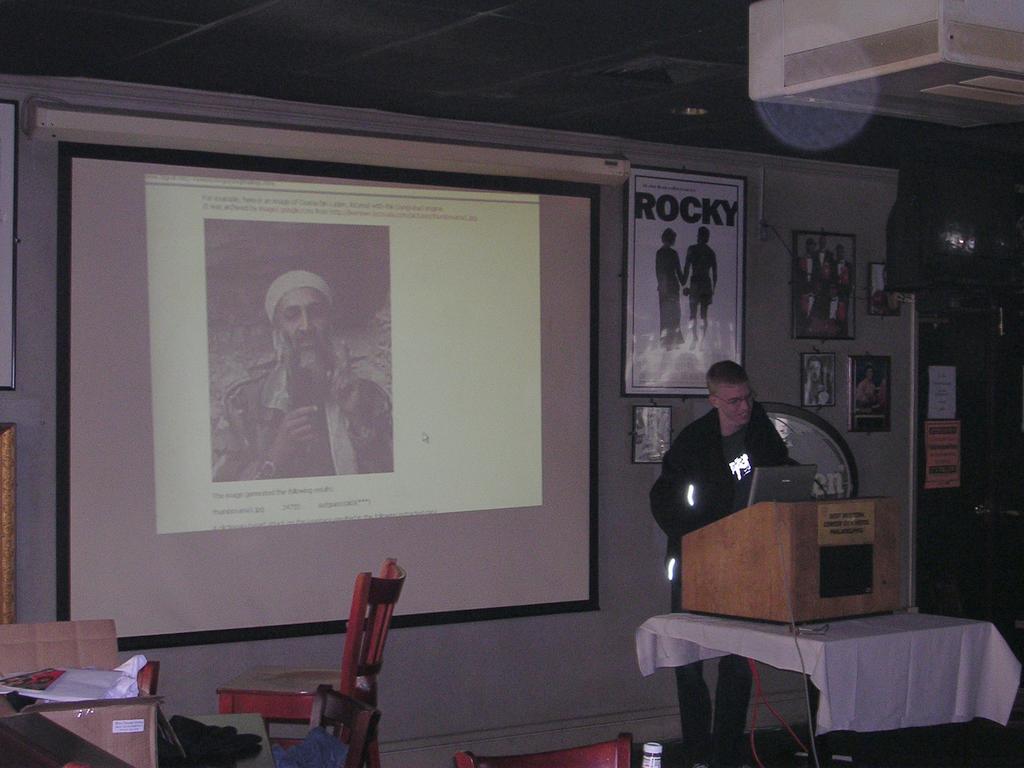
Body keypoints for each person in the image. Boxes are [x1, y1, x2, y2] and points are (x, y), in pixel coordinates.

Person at [649, 361, 791, 768]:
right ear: (713, 401)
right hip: (698, 559)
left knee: (739, 656)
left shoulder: (760, 430)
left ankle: (727, 751)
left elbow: (779, 471)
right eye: (733, 402)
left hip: (748, 559)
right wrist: (699, 536)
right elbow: (665, 500)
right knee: (689, 660)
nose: (743, 408)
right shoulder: (693, 444)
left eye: (747, 398)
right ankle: (697, 750)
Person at [212, 269, 393, 481]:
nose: (306, 326)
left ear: (329, 323)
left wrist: (358, 420)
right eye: (292, 316)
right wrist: (275, 456)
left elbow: (394, 481)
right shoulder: (243, 402)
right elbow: (223, 488)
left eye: (316, 313)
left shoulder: (368, 395)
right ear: (277, 329)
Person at [681, 226, 718, 348]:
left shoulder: (693, 249)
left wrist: (684, 284)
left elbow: (687, 268)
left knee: (694, 314)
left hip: (696, 284)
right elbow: (715, 274)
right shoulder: (710, 252)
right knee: (703, 315)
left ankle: (696, 338)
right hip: (705, 284)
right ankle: (700, 340)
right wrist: (713, 290)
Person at [655, 227, 686, 347]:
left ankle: (666, 341)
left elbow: (658, 271)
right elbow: (679, 273)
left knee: (665, 314)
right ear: (672, 239)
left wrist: (661, 285)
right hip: (672, 286)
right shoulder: (673, 254)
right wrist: (685, 279)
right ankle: (674, 340)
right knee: (674, 313)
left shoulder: (659, 253)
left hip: (663, 288)